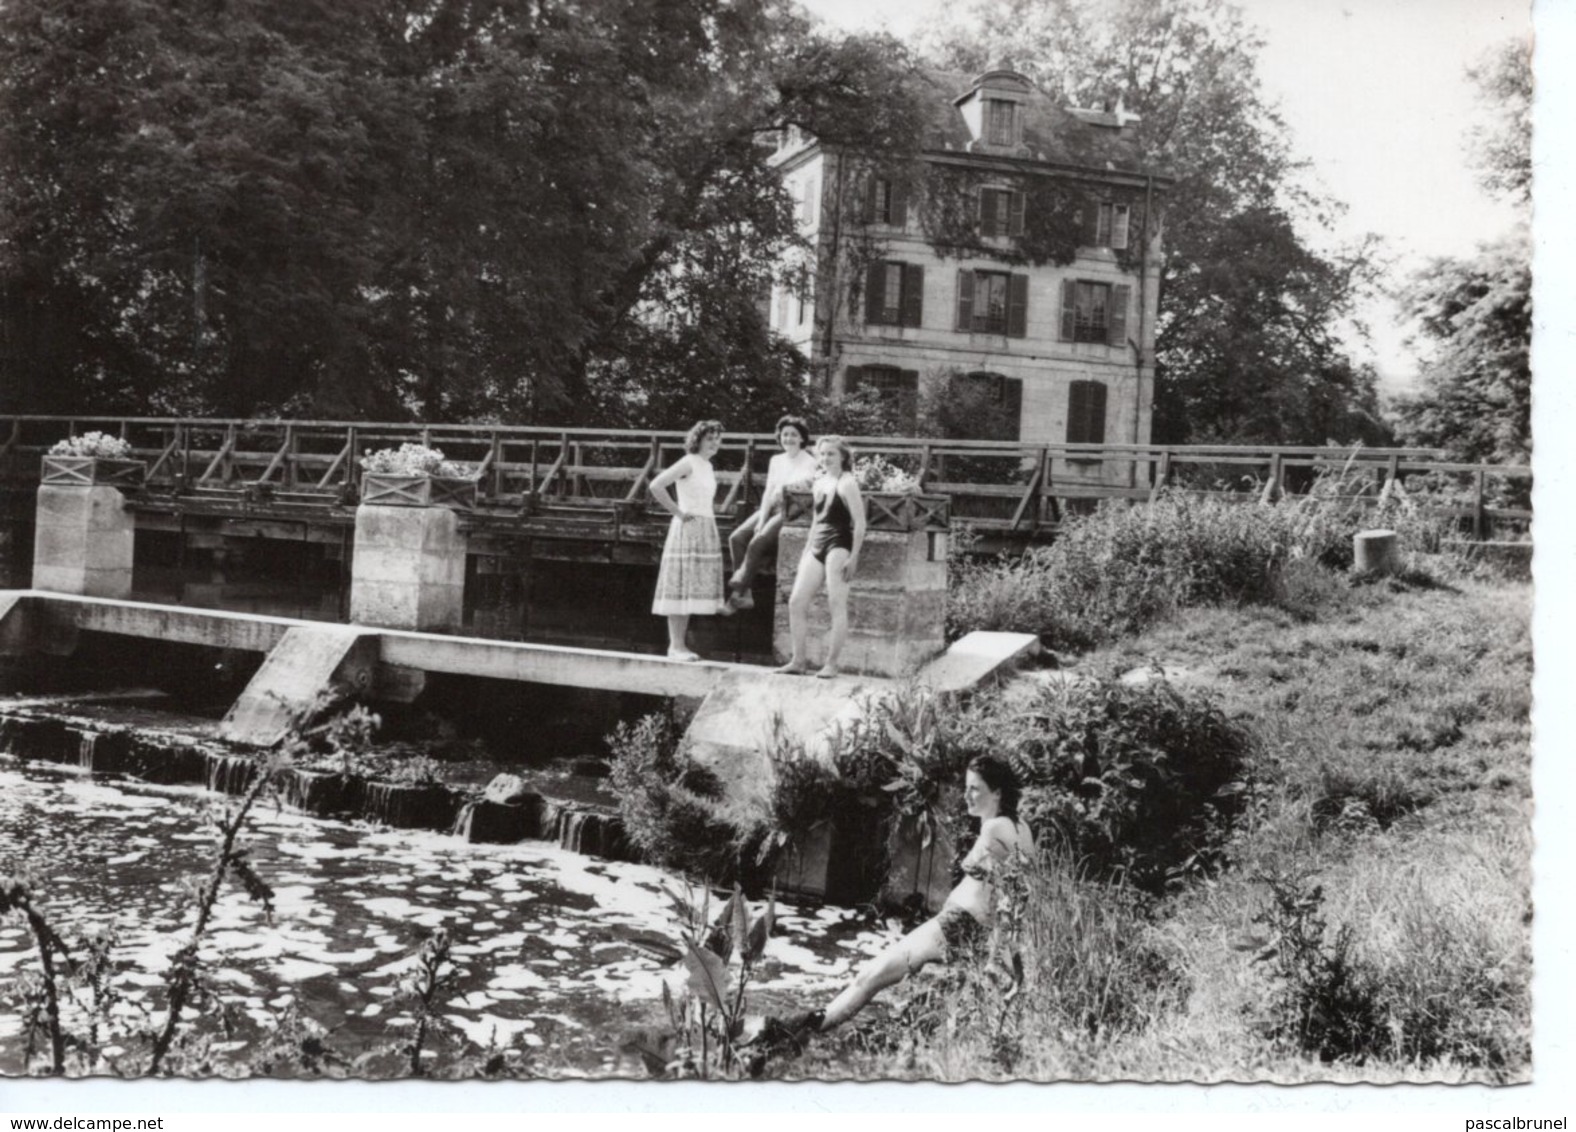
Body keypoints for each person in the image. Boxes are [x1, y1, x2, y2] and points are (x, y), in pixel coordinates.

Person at [792, 755, 1035, 1034]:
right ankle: (813, 1028)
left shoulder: (993, 828)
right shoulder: (1022, 828)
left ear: (998, 792)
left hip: (956, 925)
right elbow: (1023, 887)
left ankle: (806, 1030)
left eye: (974, 789)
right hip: (975, 931)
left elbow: (978, 869)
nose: (966, 795)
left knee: (870, 976)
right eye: (966, 787)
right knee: (879, 976)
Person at [774, 435, 866, 678]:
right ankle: (798, 660)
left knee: (836, 604)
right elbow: (816, 521)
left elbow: (860, 523)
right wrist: (806, 552)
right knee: (796, 601)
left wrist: (854, 556)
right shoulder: (819, 482)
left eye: (831, 454)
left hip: (839, 545)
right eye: (822, 454)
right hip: (817, 543)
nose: (825, 458)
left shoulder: (847, 483)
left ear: (843, 457)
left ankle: (831, 664)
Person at [649, 420, 727, 660]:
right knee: (681, 585)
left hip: (706, 526)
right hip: (689, 526)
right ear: (698, 440)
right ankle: (676, 646)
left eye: (717, 438)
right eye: (709, 438)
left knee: (693, 586)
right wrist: (681, 514)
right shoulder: (689, 461)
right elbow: (657, 485)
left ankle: (681, 645)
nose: (714, 443)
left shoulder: (708, 465)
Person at [725, 415, 818, 611]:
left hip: (791, 510)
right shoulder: (776, 460)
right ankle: (746, 594)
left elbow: (803, 494)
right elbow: (769, 491)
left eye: (794, 435)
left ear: (802, 438)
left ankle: (735, 595)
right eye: (785, 435)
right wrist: (762, 517)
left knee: (757, 542)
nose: (789, 439)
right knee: (737, 538)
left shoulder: (810, 462)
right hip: (773, 506)